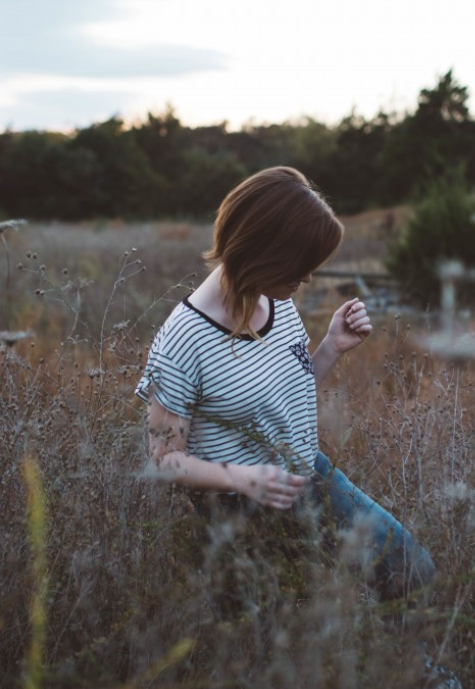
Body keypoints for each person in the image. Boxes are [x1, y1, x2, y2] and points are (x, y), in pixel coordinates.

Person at [134, 166, 436, 604]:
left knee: (410, 572)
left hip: (308, 474)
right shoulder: (183, 340)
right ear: (262, 250)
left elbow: (283, 397)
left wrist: (331, 347)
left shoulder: (274, 299)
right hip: (238, 514)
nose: (308, 278)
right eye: (299, 265)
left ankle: (414, 671)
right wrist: (244, 479)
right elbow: (163, 461)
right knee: (285, 641)